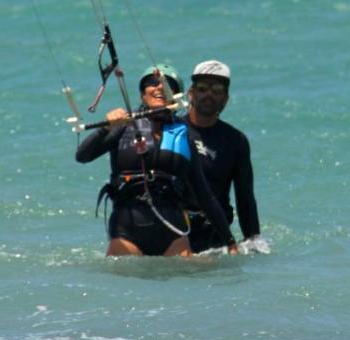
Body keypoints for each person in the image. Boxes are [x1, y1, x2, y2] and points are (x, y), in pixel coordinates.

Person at [75, 64, 237, 257]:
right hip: (127, 227)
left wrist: (230, 242)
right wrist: (106, 128)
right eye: (152, 83)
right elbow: (82, 156)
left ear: (176, 97)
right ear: (143, 95)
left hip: (173, 229)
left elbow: (204, 196)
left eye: (167, 84)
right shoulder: (123, 127)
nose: (159, 87)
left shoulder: (184, 136)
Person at [184, 60, 261, 253]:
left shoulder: (235, 140)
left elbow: (245, 197)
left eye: (217, 90)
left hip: (215, 237)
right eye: (202, 88)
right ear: (191, 93)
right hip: (176, 232)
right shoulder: (172, 131)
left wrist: (253, 239)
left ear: (226, 99)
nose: (209, 94)